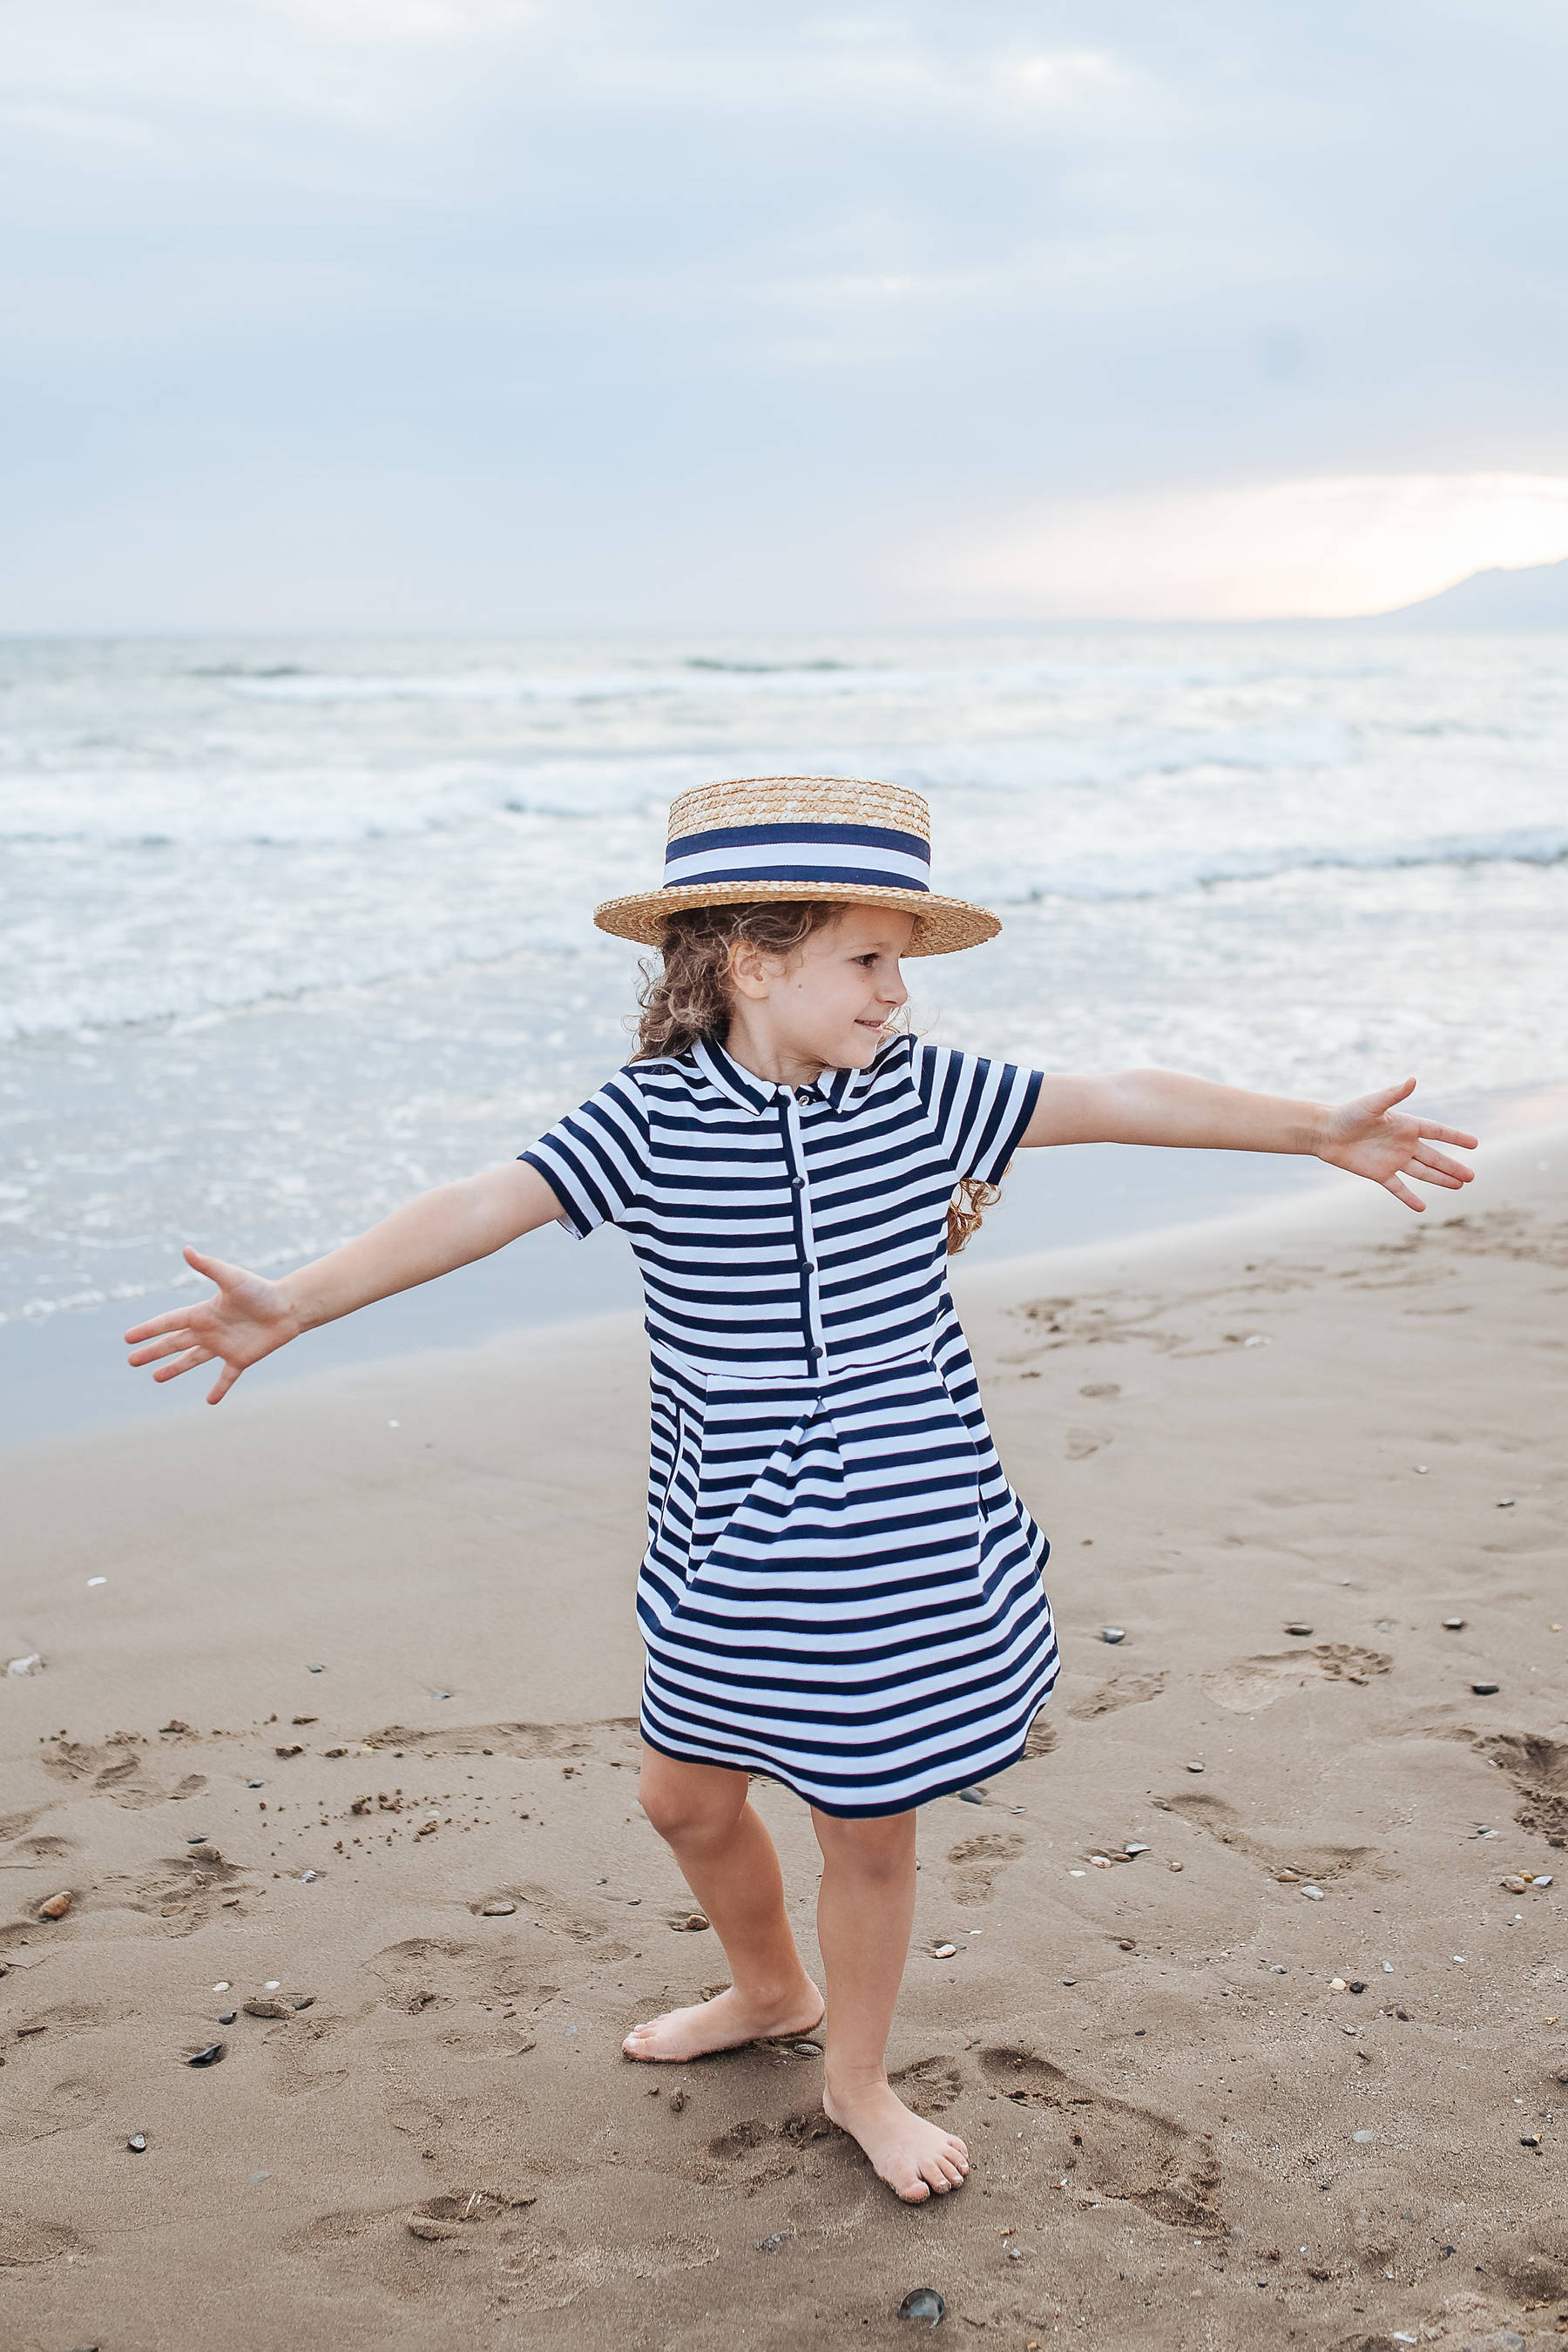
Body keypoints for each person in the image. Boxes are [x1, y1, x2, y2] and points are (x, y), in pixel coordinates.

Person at [125, 774, 1477, 2203]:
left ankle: (860, 2081)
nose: (899, 993)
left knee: (866, 1825)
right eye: (870, 959)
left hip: (896, 1532)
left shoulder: (929, 1095)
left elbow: (1115, 1093)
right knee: (683, 1797)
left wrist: (1311, 1130)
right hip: (725, 1536)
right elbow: (480, 1204)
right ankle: (771, 1990)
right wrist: (298, 1303)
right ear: (752, 961)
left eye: (900, 961)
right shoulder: (646, 1121)